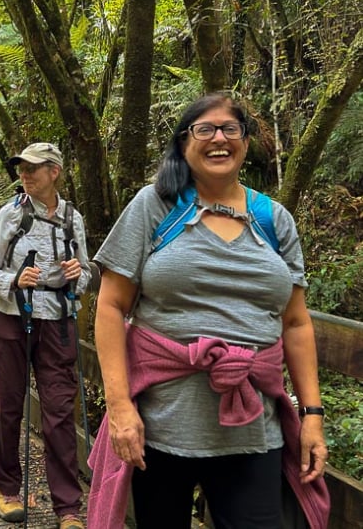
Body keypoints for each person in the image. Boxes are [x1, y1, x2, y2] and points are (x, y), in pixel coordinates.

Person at [87, 93, 330, 529]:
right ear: (184, 143)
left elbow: (295, 322)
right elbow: (110, 305)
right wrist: (120, 408)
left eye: (230, 129)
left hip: (255, 432)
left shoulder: (274, 221)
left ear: (245, 141)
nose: (219, 138)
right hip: (160, 429)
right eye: (205, 129)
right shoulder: (155, 206)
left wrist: (312, 416)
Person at [0, 143, 91, 529]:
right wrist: (13, 279)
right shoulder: (10, 215)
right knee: (8, 406)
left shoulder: (74, 218)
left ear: (54, 171)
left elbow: (87, 273)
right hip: (11, 317)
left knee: (59, 411)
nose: (25, 174)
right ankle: (7, 489)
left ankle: (68, 507)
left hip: (57, 321)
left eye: (33, 168)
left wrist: (79, 275)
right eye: (22, 168)